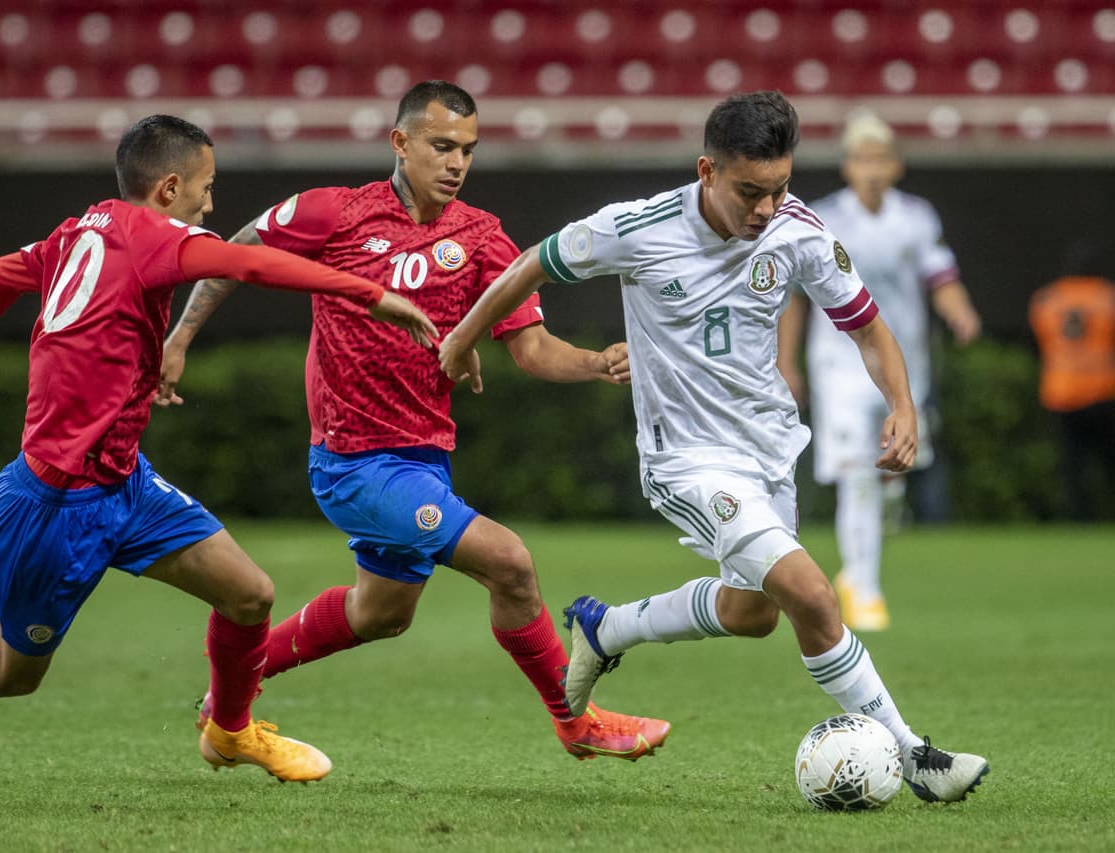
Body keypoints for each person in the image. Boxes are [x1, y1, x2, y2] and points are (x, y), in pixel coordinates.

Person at [0, 114, 438, 793]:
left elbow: (7, 270)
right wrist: (371, 292)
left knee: (249, 594)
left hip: (125, 484)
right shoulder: (162, 238)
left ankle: (229, 730)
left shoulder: (77, 230)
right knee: (12, 672)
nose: (211, 205)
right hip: (54, 506)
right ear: (170, 186)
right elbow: (248, 261)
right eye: (206, 189)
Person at [439, 91, 988, 803]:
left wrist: (904, 406)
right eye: (750, 191)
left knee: (752, 612)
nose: (765, 208)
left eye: (780, 188)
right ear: (707, 170)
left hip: (767, 451)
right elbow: (530, 266)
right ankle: (917, 757)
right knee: (812, 594)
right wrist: (462, 334)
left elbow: (869, 328)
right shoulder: (636, 228)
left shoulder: (799, 232)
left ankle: (607, 627)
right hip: (686, 460)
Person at [159, 80, 670, 762]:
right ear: (400, 142)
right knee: (510, 563)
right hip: (353, 464)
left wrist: (597, 363)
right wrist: (179, 339)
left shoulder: (482, 236)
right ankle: (577, 720)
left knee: (382, 613)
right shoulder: (334, 213)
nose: (457, 162)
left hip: (423, 458)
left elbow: (533, 349)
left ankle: (227, 700)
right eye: (441, 146)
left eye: (468, 149)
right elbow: (233, 258)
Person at [776, 112, 982, 630]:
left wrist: (959, 310)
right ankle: (863, 586)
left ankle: (863, 563)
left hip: (899, 363)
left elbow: (941, 275)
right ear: (847, 166)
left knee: (893, 471)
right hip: (839, 363)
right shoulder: (822, 218)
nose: (871, 169)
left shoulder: (916, 217)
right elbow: (795, 298)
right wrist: (787, 361)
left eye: (880, 159)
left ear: (896, 166)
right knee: (859, 477)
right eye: (862, 159)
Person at [1028, 242, 1115, 521]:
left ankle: (1079, 517)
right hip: (1103, 390)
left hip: (1061, 390)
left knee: (1072, 464)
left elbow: (1039, 342)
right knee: (1108, 461)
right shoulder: (1107, 297)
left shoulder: (1047, 298)